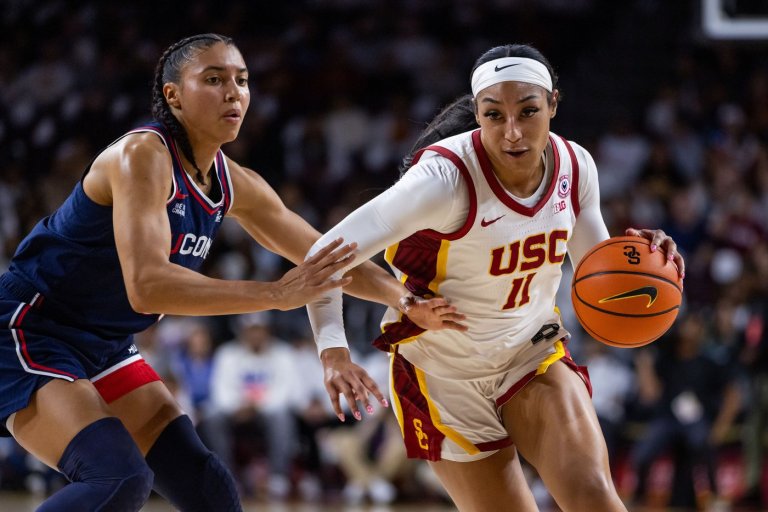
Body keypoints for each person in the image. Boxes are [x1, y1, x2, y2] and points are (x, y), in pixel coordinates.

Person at [0, 33, 464, 512]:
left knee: (208, 487)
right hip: (31, 329)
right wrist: (276, 295)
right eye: (214, 79)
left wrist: (405, 301)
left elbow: (327, 256)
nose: (233, 93)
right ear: (173, 95)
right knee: (117, 478)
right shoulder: (142, 155)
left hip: (105, 344)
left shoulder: (235, 182)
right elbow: (148, 287)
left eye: (241, 80)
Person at [306, 43, 686, 511]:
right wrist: (333, 351)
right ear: (478, 115)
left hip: (531, 355)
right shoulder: (442, 181)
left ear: (553, 104)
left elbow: (598, 276)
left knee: (593, 497)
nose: (512, 132)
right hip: (442, 375)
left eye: (528, 111)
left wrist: (640, 261)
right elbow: (323, 255)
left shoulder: (575, 166)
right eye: (494, 115)